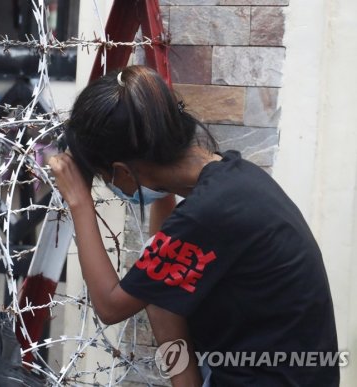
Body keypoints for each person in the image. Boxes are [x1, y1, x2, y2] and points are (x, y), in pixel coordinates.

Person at [49, 65, 339, 387]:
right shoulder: (232, 176)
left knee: (154, 291)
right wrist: (159, 190)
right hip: (287, 372)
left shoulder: (209, 212)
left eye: (106, 178)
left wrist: (80, 202)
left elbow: (110, 305)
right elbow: (161, 259)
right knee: (157, 289)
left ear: (124, 171)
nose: (111, 186)